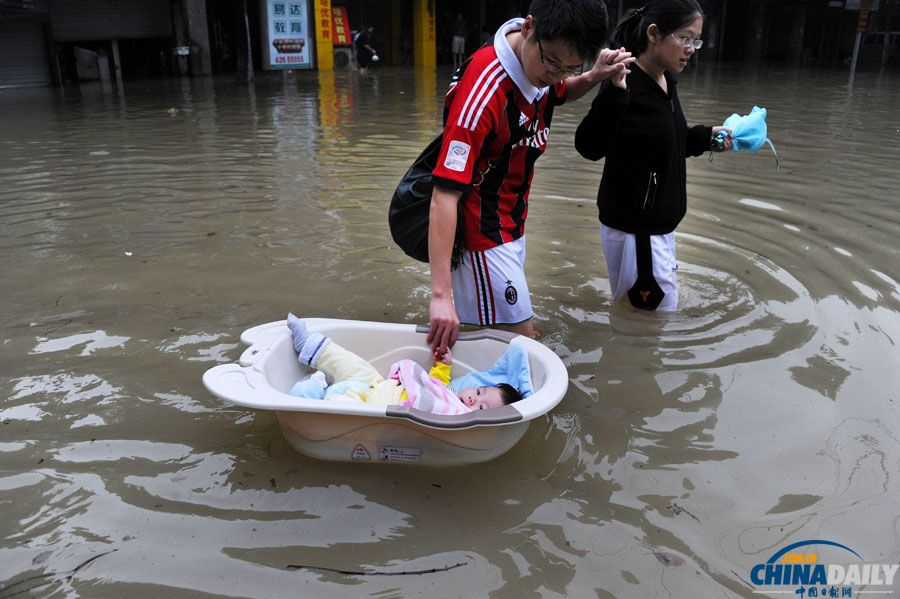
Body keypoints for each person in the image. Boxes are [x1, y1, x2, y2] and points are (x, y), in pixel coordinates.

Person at [426, 0, 635, 353]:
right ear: (529, 28)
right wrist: (439, 296)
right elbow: (443, 196)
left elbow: (559, 91)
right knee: (525, 345)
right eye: (553, 62)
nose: (556, 74)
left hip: (511, 223)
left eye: (569, 67)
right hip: (481, 232)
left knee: (488, 338)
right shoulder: (483, 91)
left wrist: (592, 76)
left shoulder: (539, 66)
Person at [574, 0, 732, 312]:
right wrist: (614, 93)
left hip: (654, 229)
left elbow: (669, 141)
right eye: (685, 38)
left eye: (695, 40)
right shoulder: (625, 83)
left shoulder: (665, 81)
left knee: (635, 316)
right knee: (651, 328)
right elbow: (588, 145)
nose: (691, 49)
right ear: (654, 33)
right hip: (638, 230)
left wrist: (711, 137)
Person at [286, 314, 521, 413]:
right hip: (381, 386)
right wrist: (444, 364)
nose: (473, 398)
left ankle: (314, 395)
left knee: (343, 404)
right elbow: (433, 384)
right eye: (479, 391)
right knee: (353, 365)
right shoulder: (447, 394)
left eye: (480, 407)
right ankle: (311, 345)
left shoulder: (456, 416)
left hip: (377, 406)